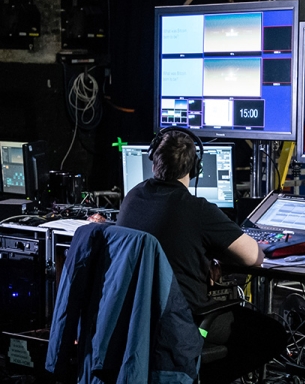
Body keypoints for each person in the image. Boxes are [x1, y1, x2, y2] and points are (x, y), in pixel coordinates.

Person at [117, 128, 287, 383]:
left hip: (137, 319)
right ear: (194, 169)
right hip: (185, 321)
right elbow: (254, 258)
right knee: (272, 335)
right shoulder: (197, 209)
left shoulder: (132, 198)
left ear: (153, 160)